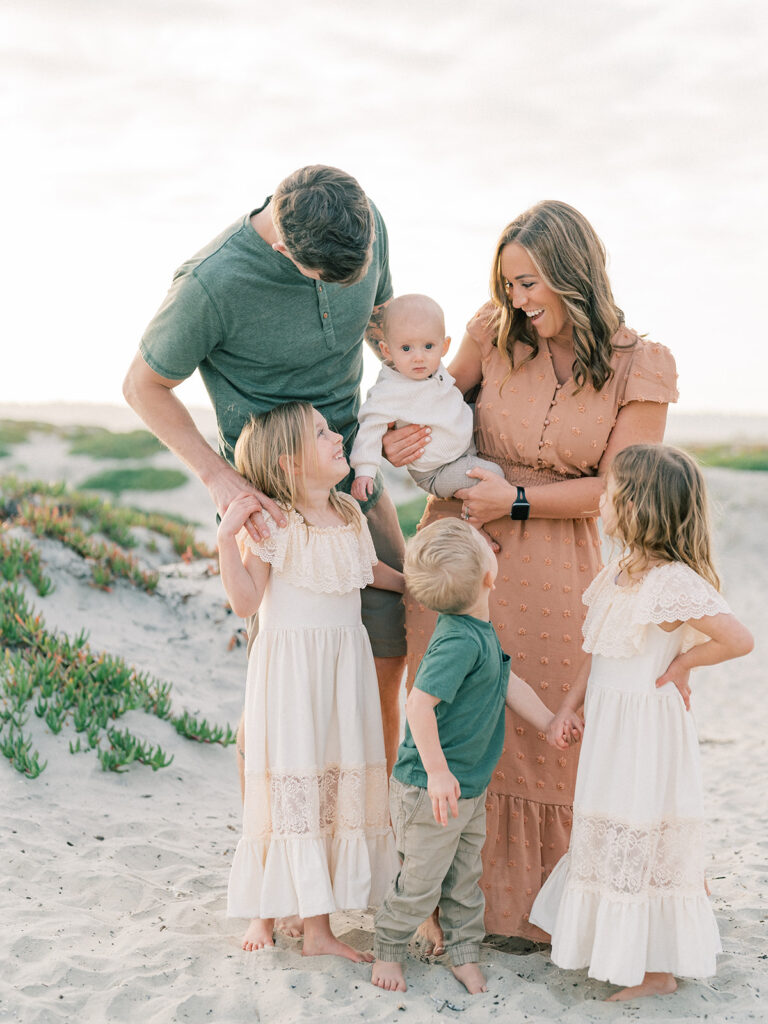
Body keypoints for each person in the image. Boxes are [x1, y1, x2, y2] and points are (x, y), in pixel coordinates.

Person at [384, 200, 679, 945]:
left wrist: (515, 500)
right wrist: (398, 446)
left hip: (554, 562)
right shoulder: (491, 333)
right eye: (509, 283)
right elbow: (431, 405)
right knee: (451, 721)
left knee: (551, 731)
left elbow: (621, 487)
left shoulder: (640, 364)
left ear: (573, 273)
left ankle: (543, 917)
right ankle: (432, 905)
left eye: (530, 283)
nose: (519, 299)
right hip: (457, 554)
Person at [123, 165, 407, 792]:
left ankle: (372, 821)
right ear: (283, 246)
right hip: (272, 502)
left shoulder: (363, 223)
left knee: (389, 650)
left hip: (355, 475)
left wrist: (399, 417)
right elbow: (142, 387)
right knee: (282, 682)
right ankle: (273, 835)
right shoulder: (210, 285)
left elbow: (383, 329)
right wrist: (219, 480)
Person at [529, 444, 754, 1000]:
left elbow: (738, 638)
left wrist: (683, 662)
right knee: (612, 822)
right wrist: (567, 708)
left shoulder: (671, 582)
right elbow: (597, 650)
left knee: (643, 824)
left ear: (636, 505)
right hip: (611, 729)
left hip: (647, 732)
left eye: (607, 494)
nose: (600, 501)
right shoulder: (618, 574)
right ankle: (624, 949)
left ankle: (657, 971)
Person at [219, 402, 402, 959]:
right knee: (289, 784)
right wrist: (227, 539)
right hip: (291, 676)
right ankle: (280, 917)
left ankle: (311, 919)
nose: (337, 436)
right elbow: (246, 600)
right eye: (321, 434)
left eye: (331, 428)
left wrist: (421, 585)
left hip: (343, 672)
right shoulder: (274, 524)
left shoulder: (348, 511)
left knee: (330, 781)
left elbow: (371, 573)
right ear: (289, 464)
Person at [371, 519, 574, 994]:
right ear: (490, 576)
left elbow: (508, 682)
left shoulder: (478, 629)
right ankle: (388, 947)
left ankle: (463, 953)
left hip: (468, 787)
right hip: (430, 789)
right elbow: (418, 703)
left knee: (465, 878)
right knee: (421, 881)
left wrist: (546, 722)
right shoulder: (459, 640)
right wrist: (438, 773)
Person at [350, 294, 504, 502]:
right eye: (406, 348)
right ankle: (477, 513)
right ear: (387, 350)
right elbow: (370, 429)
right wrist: (364, 471)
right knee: (495, 474)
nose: (418, 357)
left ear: (444, 346)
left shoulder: (432, 368)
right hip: (438, 470)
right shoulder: (387, 392)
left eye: (429, 346)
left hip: (462, 446)